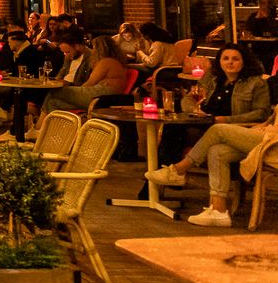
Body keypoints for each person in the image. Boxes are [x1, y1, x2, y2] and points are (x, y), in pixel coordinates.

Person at [145, 105, 276, 227]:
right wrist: (262, 126)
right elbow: (271, 120)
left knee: (217, 130)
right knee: (217, 151)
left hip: (273, 143)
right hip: (266, 137)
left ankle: (179, 170)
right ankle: (219, 211)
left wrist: (267, 129)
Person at [35, 35, 126, 122]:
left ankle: (38, 128)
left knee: (54, 91)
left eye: (94, 48)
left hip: (102, 94)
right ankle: (50, 129)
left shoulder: (106, 62)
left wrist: (76, 92)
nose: (93, 51)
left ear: (100, 49)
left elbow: (90, 83)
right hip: (103, 95)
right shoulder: (114, 62)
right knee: (53, 102)